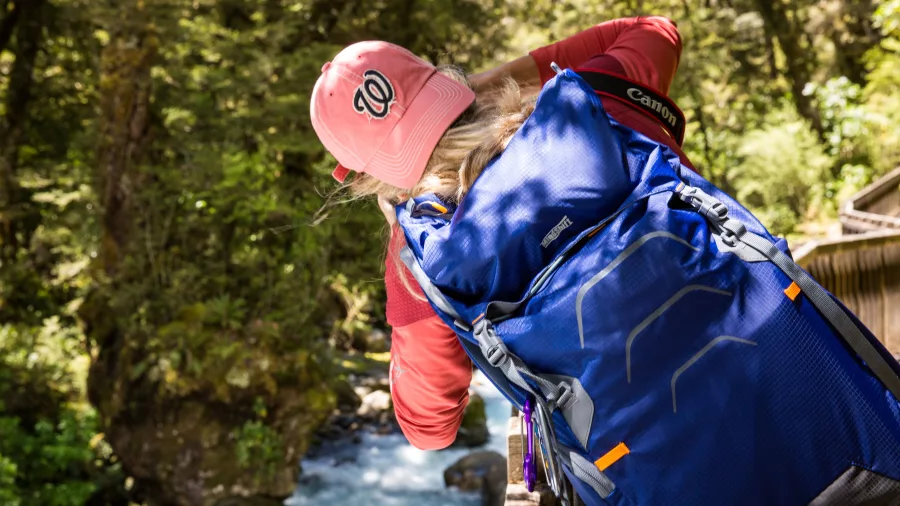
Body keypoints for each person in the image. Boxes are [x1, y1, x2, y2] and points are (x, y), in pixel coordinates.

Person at [310, 16, 689, 450]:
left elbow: (429, 429)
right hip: (772, 342)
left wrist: (401, 233)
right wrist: (484, 87)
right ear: (444, 83)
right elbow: (655, 30)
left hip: (661, 454)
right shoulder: (588, 100)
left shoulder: (424, 250)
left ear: (364, 177)